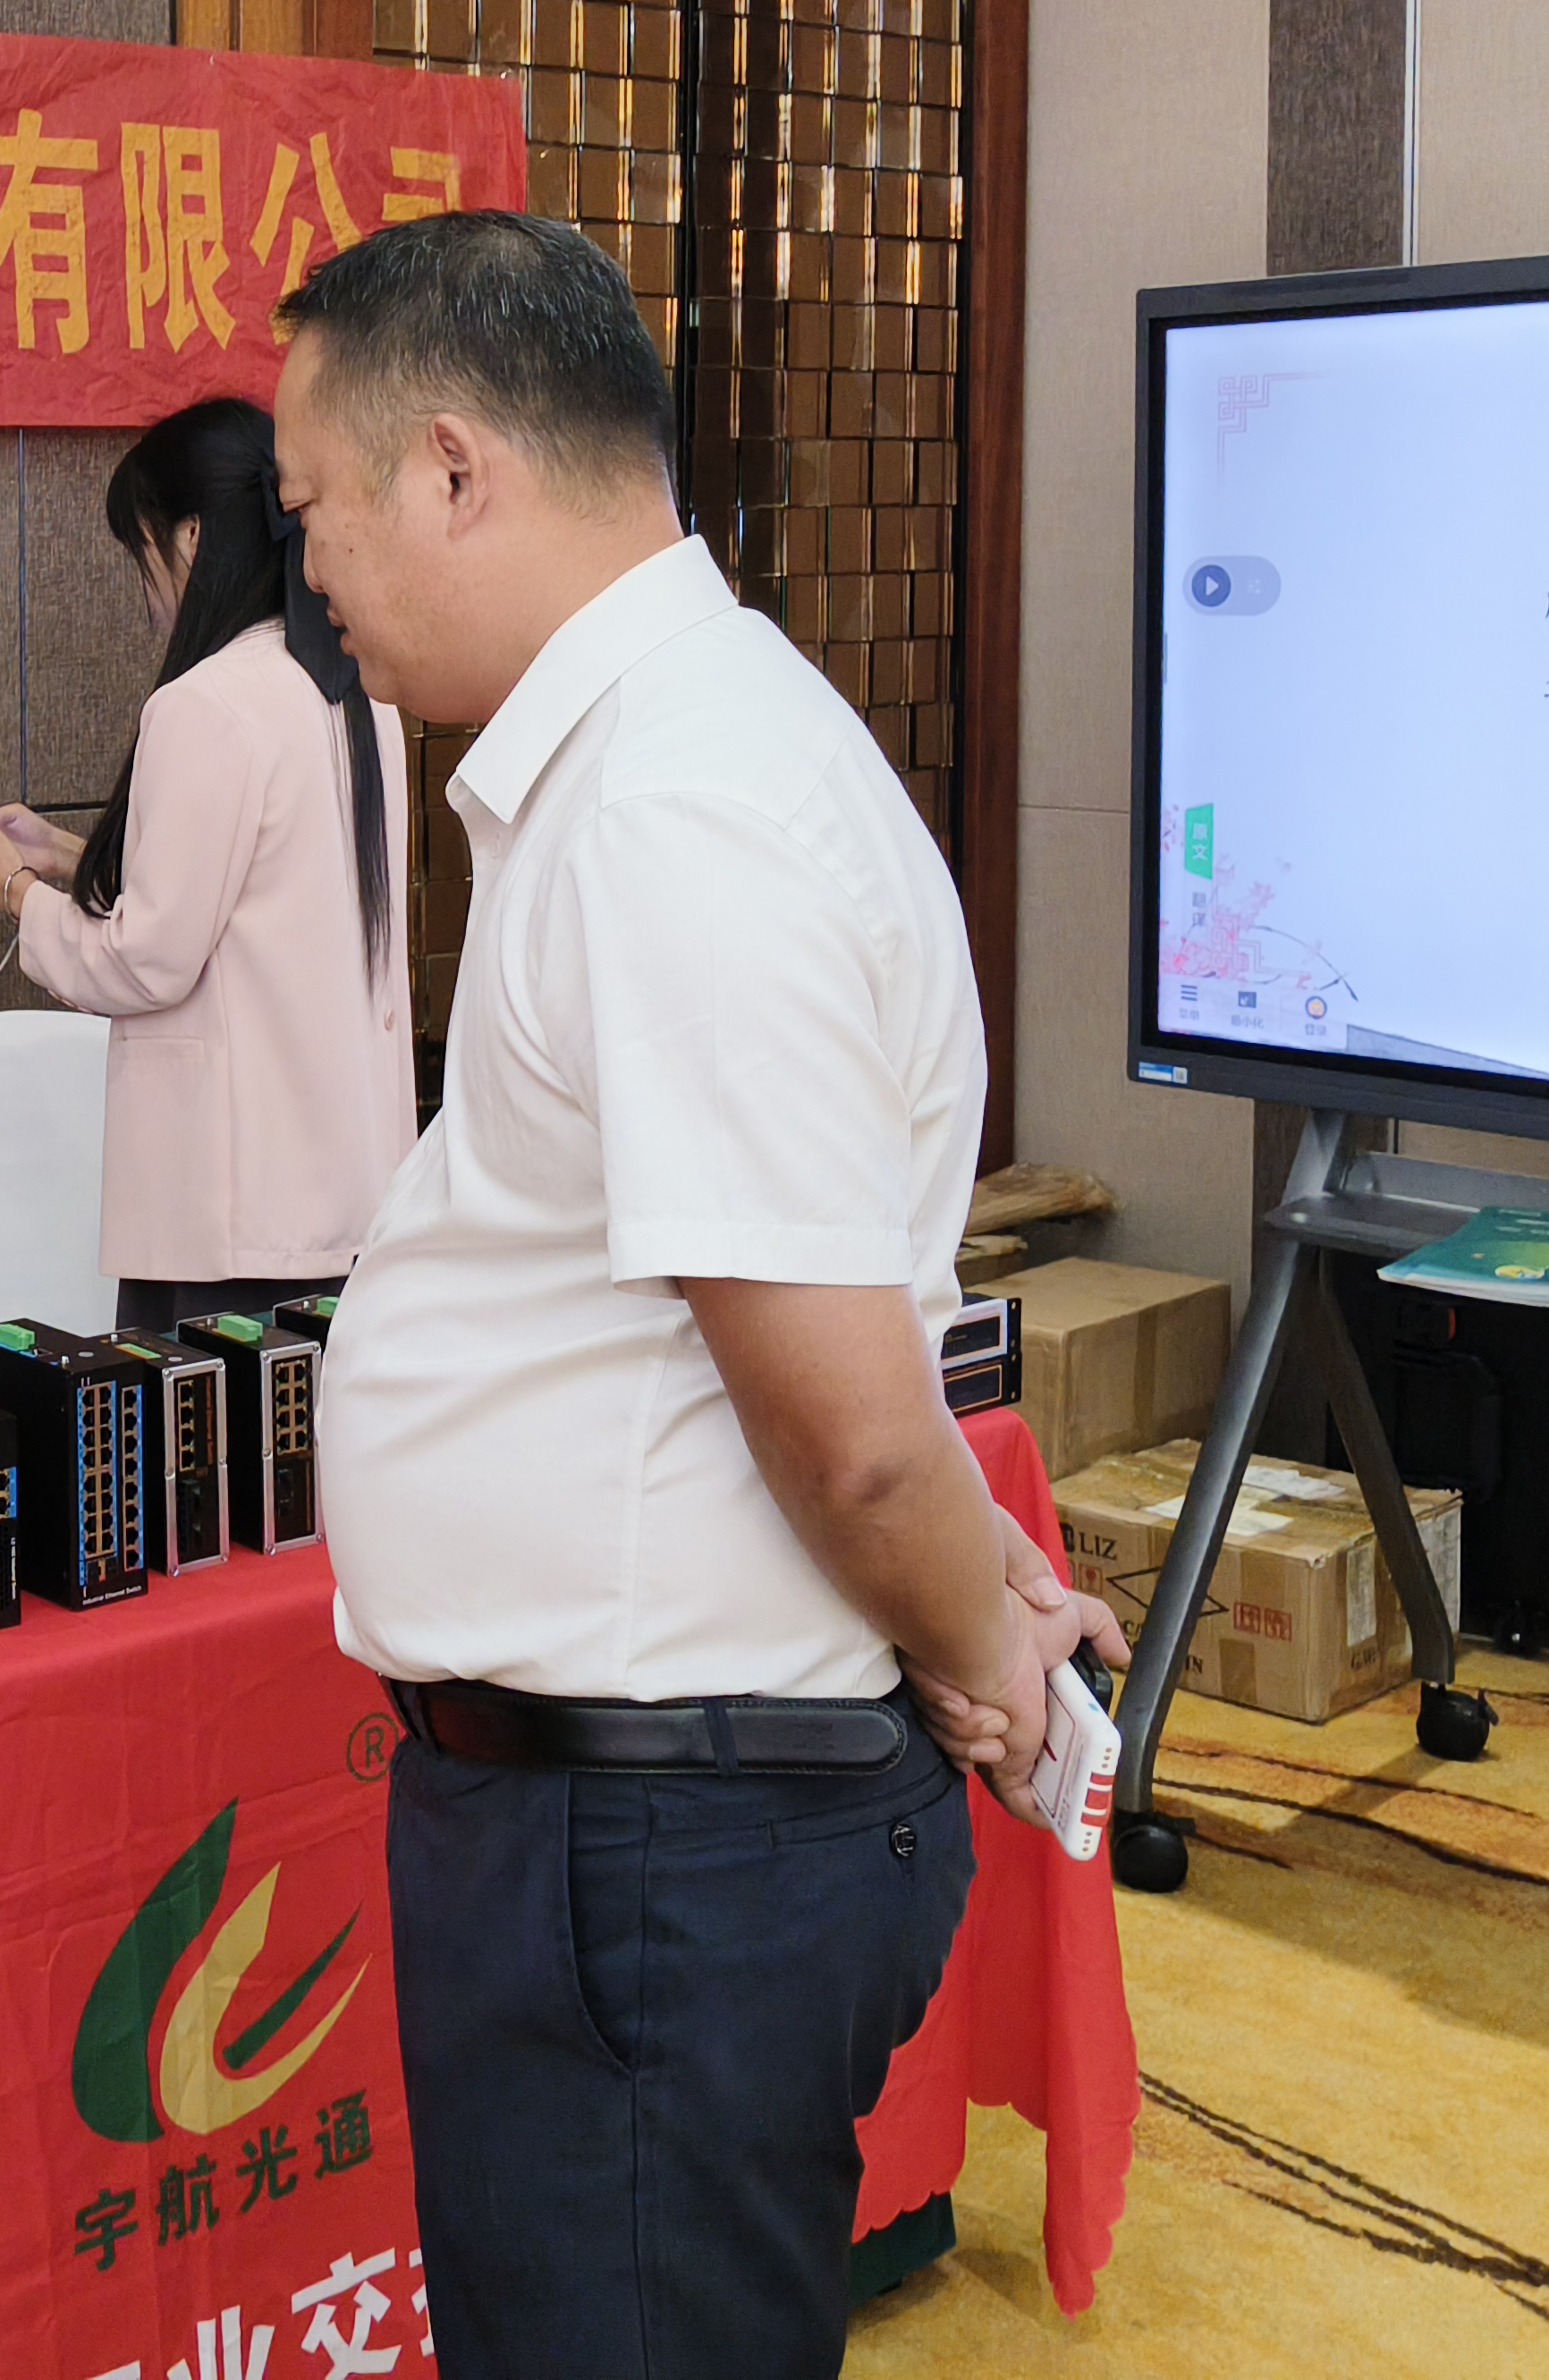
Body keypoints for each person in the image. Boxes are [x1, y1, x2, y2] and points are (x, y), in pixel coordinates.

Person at [265, 211, 1125, 2378]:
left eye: (315, 506)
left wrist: (982, 1660)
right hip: (639, 1819)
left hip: (660, 1844)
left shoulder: (676, 805)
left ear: (452, 468)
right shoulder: (655, 759)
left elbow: (849, 1428)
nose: (311, 570)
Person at [0, 398, 411, 1330]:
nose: (146, 590)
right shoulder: (355, 691)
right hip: (348, 1191)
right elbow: (265, 894)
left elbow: (145, 962)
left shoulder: (205, 704)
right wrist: (66, 858)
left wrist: (15, 893)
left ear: (190, 536)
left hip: (233, 1214)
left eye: (140, 551)